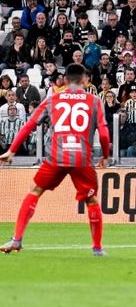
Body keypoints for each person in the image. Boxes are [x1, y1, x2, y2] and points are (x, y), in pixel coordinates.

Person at [0, 64, 110, 256]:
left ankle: (17, 240)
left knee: (35, 191)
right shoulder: (94, 101)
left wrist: (11, 150)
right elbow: (104, 134)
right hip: (82, 158)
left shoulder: (53, 99)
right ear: (85, 80)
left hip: (56, 157)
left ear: (65, 81)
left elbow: (29, 125)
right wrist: (106, 156)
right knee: (91, 200)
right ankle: (97, 249)